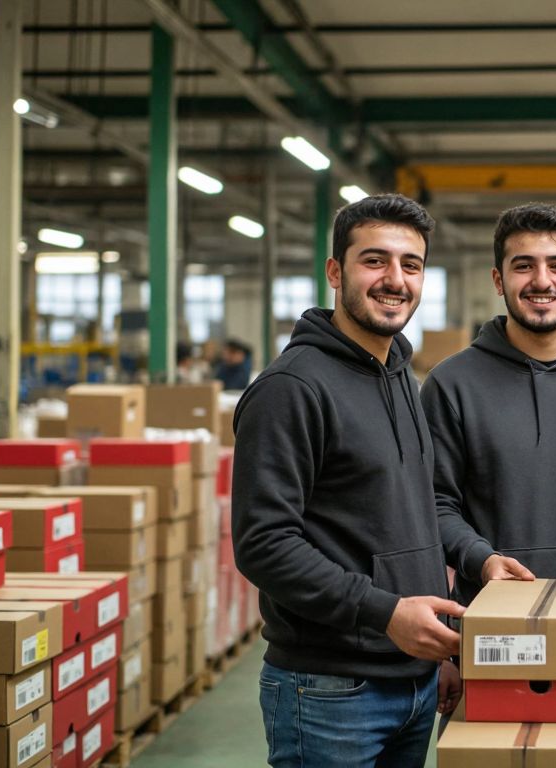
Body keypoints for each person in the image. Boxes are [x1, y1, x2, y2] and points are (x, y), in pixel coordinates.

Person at [232, 194, 463, 767]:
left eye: (411, 265)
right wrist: (385, 613)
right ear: (335, 271)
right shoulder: (291, 388)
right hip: (330, 690)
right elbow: (264, 543)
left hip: (412, 681)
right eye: (375, 260)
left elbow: (410, 511)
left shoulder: (401, 377)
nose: (395, 279)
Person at [421, 202, 556, 605]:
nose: (542, 281)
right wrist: (481, 559)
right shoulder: (451, 383)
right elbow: (436, 503)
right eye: (524, 266)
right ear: (498, 279)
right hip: (495, 609)